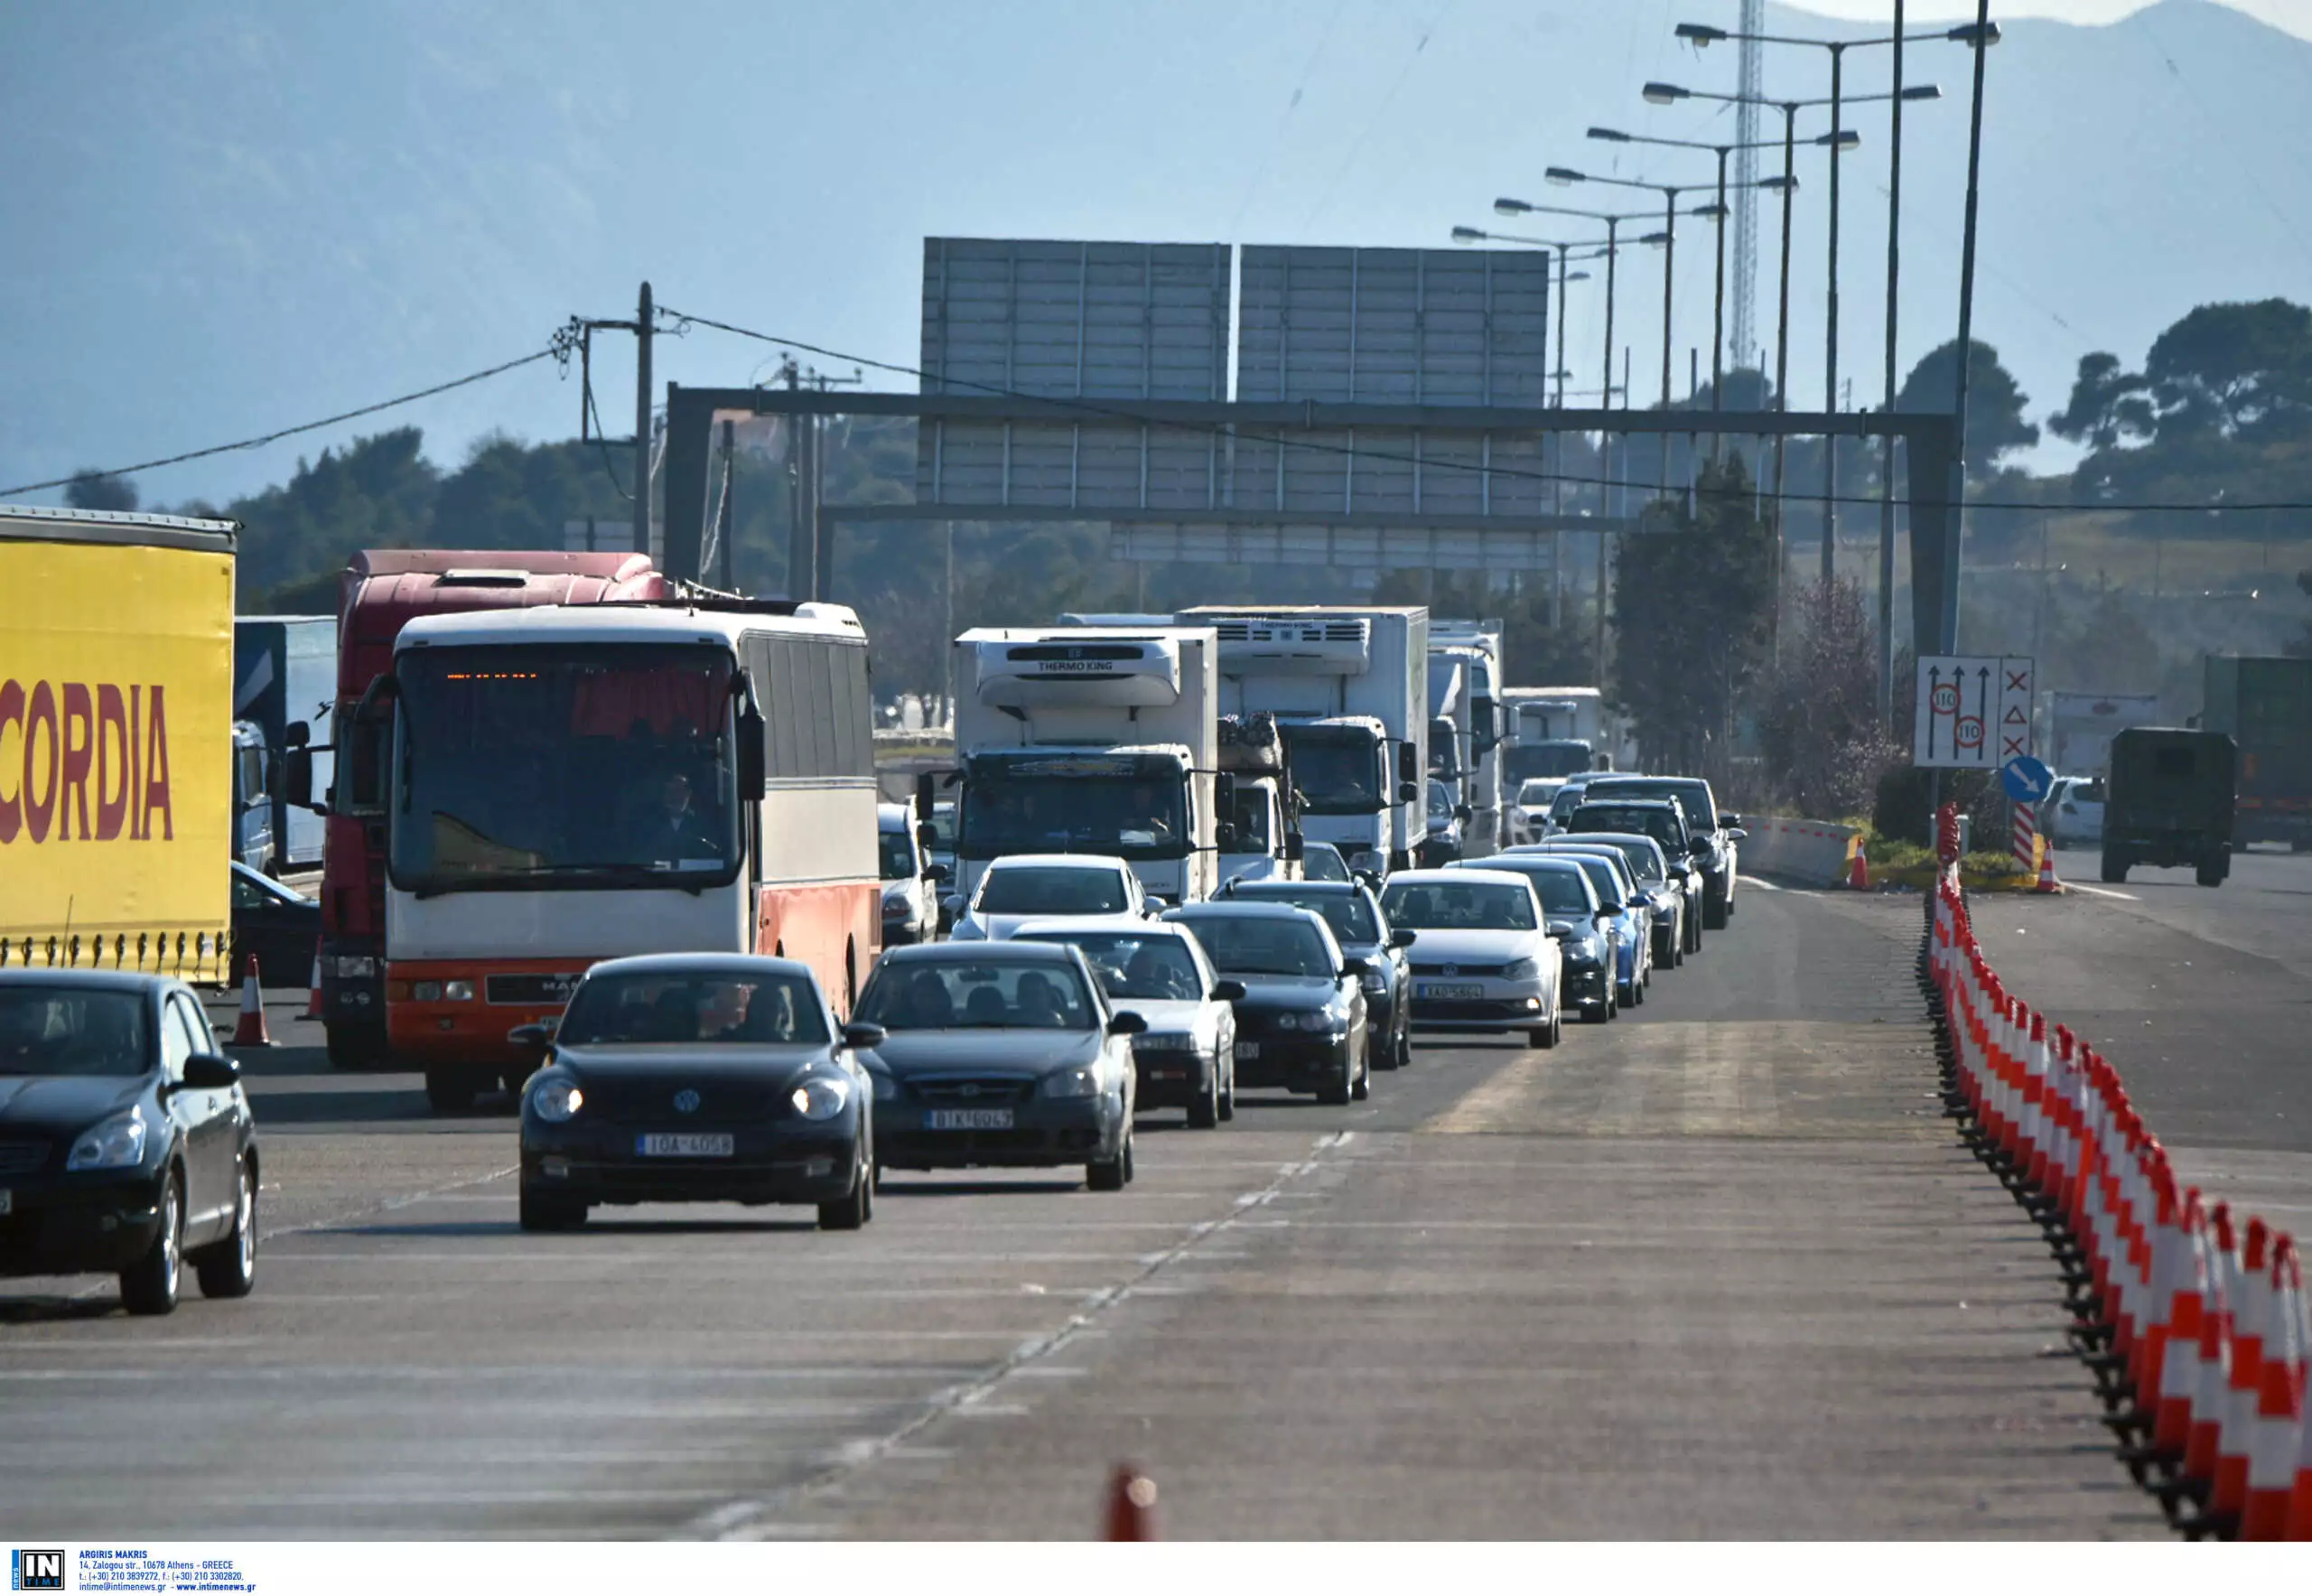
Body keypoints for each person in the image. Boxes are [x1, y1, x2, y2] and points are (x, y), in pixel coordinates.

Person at [636, 771, 719, 861]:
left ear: (689, 794)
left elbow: (712, 856)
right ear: (664, 794)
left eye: (680, 791)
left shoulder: (703, 825)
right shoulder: (650, 825)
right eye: (671, 791)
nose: (676, 796)